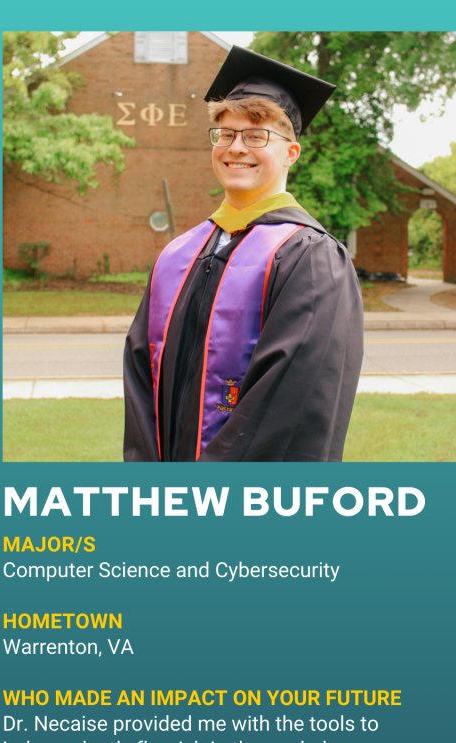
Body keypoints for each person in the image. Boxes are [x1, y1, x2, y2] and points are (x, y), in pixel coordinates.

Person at [123, 45, 363, 462]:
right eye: (226, 134)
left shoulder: (310, 258)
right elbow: (140, 379)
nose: (236, 147)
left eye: (257, 135)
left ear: (291, 152)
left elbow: (291, 404)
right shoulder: (178, 255)